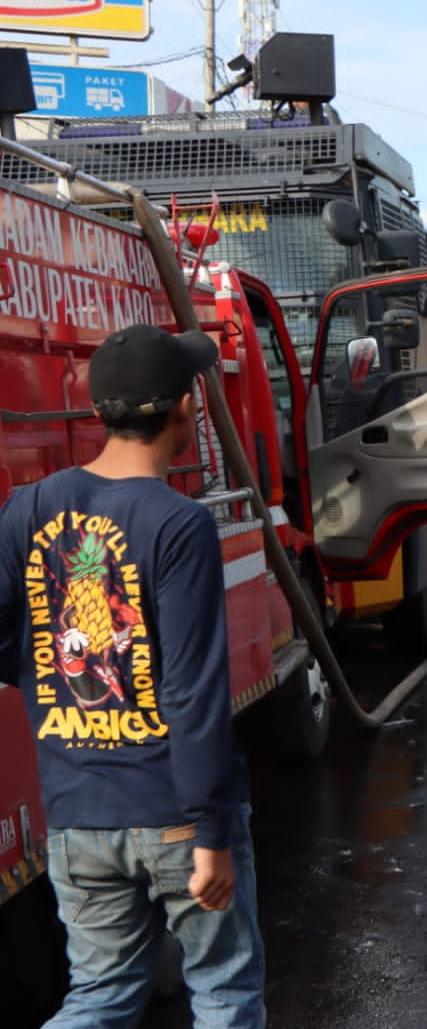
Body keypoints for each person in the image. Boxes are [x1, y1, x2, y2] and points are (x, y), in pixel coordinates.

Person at [0, 324, 265, 1025]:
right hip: (175, 812)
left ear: (96, 412)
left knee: (101, 993)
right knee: (225, 989)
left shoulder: (27, 508)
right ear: (184, 408)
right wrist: (211, 832)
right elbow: (193, 690)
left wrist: (46, 677)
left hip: (77, 810)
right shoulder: (178, 525)